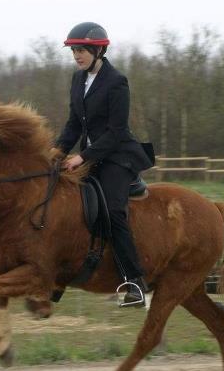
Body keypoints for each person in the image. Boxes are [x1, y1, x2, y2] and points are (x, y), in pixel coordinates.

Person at [52, 22, 153, 307]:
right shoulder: (77, 80)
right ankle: (59, 275)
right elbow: (74, 124)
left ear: (99, 50)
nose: (77, 56)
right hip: (90, 155)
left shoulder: (116, 81)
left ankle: (135, 282)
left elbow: (117, 131)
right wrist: (57, 152)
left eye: (82, 50)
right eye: (74, 51)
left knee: (112, 211)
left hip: (117, 157)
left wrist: (82, 157)